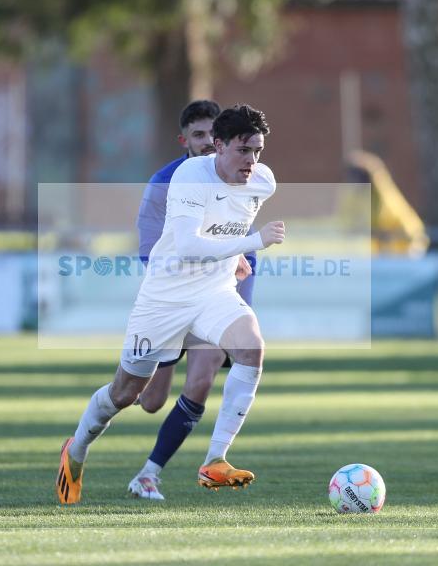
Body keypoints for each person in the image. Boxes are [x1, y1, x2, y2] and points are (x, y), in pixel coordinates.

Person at [56, 104, 284, 504]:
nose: (252, 161)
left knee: (251, 348)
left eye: (258, 151)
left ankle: (216, 459)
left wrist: (234, 261)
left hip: (214, 294)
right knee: (128, 394)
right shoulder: (189, 177)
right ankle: (75, 450)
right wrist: (252, 244)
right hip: (165, 298)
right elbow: (189, 245)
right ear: (218, 146)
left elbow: (224, 223)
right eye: (243, 150)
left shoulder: (262, 182)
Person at [128, 100, 257, 501]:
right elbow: (151, 250)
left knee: (201, 381)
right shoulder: (166, 183)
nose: (205, 143)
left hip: (215, 298)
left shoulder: (240, 177)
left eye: (211, 136)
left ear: (222, 141)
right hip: (172, 298)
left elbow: (246, 243)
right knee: (150, 400)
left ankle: (150, 474)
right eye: (197, 135)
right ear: (184, 139)